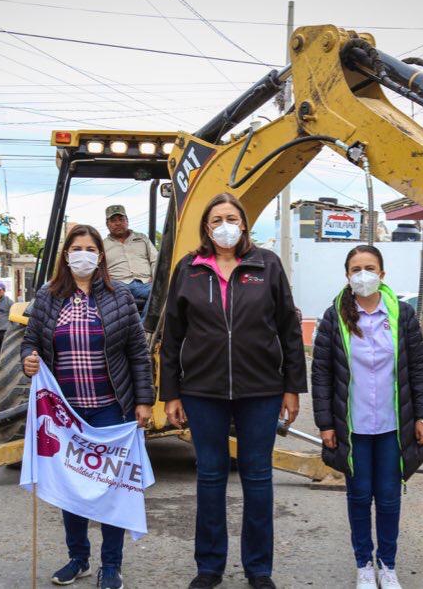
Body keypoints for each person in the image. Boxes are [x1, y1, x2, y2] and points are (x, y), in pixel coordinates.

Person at [160, 192, 307, 589]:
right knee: (210, 476)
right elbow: (172, 335)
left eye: (231, 217)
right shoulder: (189, 269)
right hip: (202, 390)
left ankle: (259, 569)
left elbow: (289, 330)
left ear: (244, 224)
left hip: (260, 389)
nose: (224, 225)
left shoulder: (267, 265)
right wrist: (170, 392)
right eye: (216, 219)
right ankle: (209, 567)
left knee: (257, 476)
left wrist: (293, 387)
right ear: (206, 228)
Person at [20, 224, 154, 589]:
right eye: (76, 248)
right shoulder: (47, 297)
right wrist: (28, 359)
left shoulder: (120, 297)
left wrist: (144, 400)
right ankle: (77, 558)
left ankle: (111, 565)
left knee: (112, 490)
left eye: (90, 248)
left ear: (100, 255)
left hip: (110, 410)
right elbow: (30, 341)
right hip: (66, 415)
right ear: (66, 255)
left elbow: (138, 354)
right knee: (73, 489)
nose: (83, 254)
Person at [311, 245, 423, 589]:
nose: (362, 274)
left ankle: (387, 564)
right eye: (355, 269)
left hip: (395, 426)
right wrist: (325, 424)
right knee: (360, 496)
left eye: (369, 268)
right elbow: (321, 373)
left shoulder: (403, 315)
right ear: (347, 276)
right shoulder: (334, 316)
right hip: (354, 426)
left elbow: (418, 369)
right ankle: (364, 564)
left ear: (382, 274)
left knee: (390, 497)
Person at [102, 204, 157, 316]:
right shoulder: (102, 245)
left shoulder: (142, 238)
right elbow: (99, 269)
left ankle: (144, 330)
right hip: (118, 284)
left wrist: (156, 279)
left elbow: (155, 260)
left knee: (161, 293)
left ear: (127, 221)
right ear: (107, 224)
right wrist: (107, 280)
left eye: (121, 219)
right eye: (113, 221)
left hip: (145, 283)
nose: (118, 223)